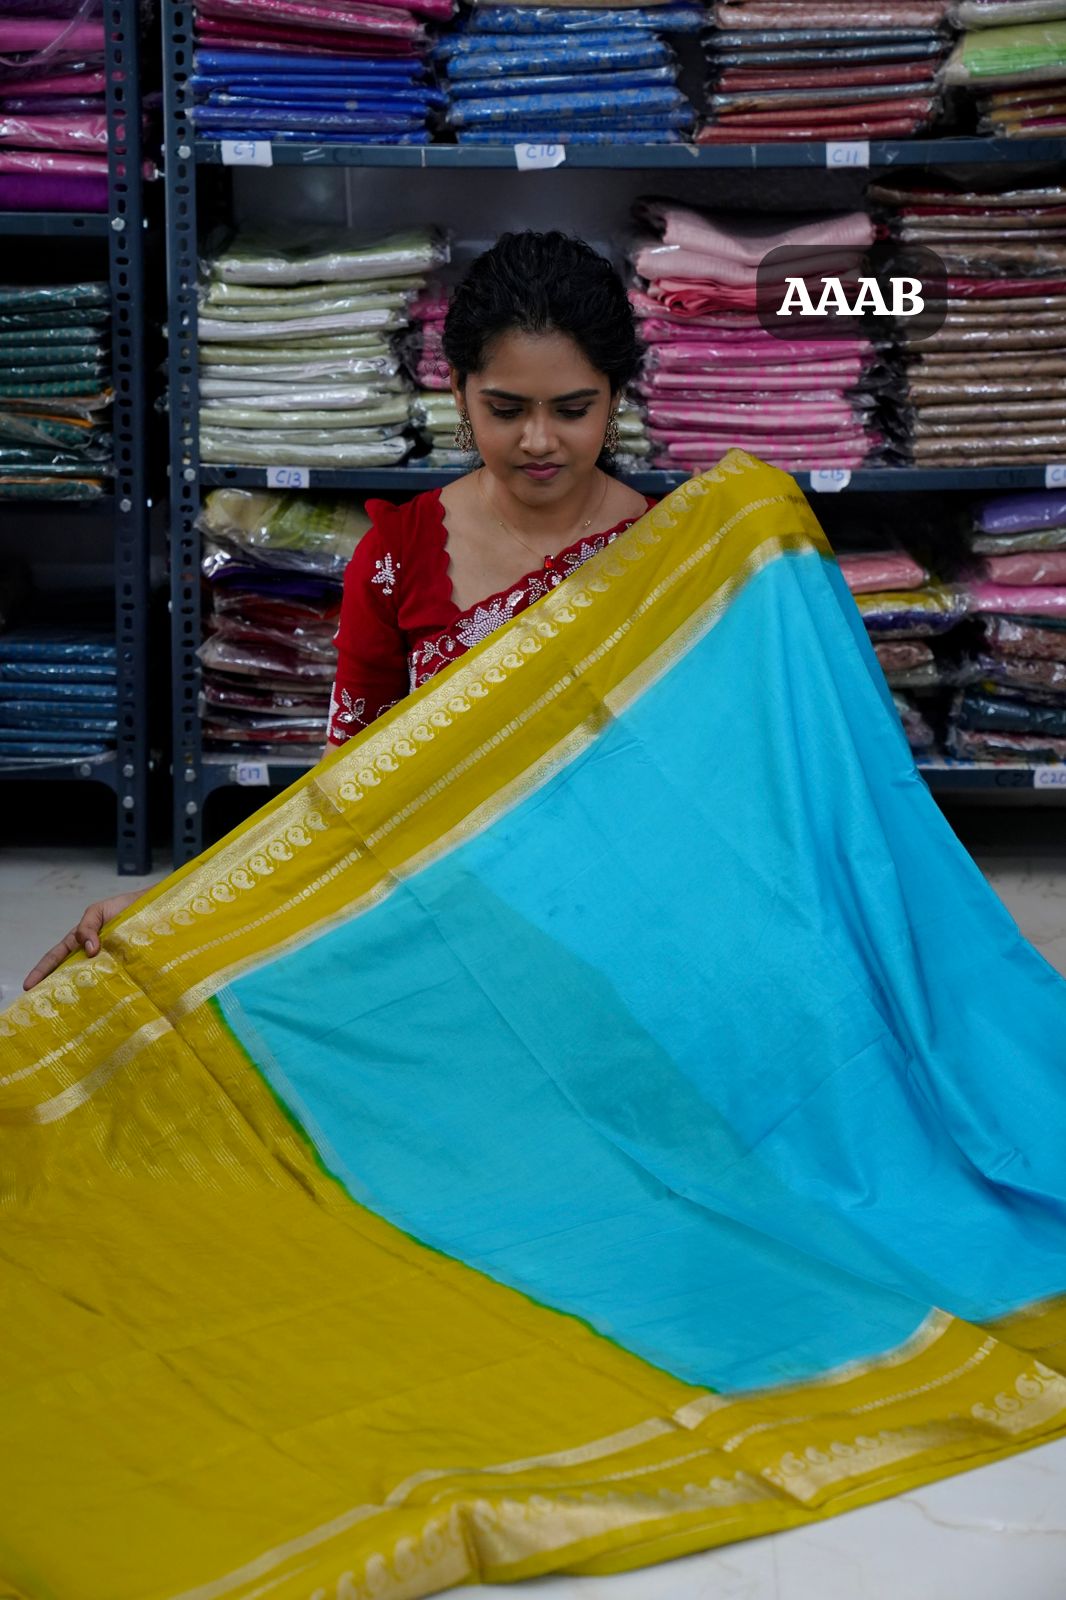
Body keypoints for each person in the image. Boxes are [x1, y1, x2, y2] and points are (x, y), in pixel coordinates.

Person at [23, 231, 654, 990]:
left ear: (615, 398)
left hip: (624, 926)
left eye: (574, 409)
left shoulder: (673, 556)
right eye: (506, 408)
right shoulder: (400, 556)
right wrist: (173, 900)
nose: (539, 440)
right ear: (456, 394)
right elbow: (347, 785)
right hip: (441, 915)